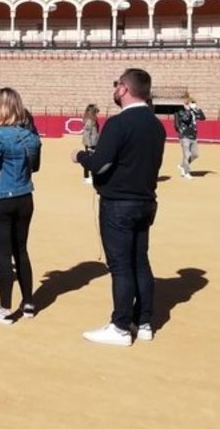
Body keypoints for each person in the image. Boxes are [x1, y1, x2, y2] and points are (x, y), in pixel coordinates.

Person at [72, 68, 165, 346]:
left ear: (124, 89)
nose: (114, 89)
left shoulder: (118, 124)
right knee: (140, 261)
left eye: (116, 85)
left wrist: (80, 157)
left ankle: (121, 326)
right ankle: (144, 321)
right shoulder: (156, 124)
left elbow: (100, 162)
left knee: (121, 266)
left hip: (118, 203)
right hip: (146, 201)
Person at [0, 88, 42, 325]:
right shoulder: (31, 136)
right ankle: (28, 301)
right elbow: (35, 168)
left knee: (3, 254)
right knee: (21, 250)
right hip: (24, 196)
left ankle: (5, 308)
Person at [174, 94, 206, 179]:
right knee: (187, 154)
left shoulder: (194, 111)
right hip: (184, 135)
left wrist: (197, 109)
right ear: (186, 104)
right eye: (192, 103)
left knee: (195, 154)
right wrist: (188, 110)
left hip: (193, 135)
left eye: (194, 103)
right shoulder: (181, 111)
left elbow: (203, 118)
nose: (193, 105)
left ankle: (182, 166)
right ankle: (186, 172)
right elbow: (186, 119)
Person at [81, 104, 101, 184]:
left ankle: (89, 176)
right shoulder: (90, 121)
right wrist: (89, 146)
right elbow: (87, 134)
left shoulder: (92, 120)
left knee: (91, 159)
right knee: (89, 160)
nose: (97, 114)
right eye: (96, 112)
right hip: (91, 144)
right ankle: (87, 177)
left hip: (93, 143)